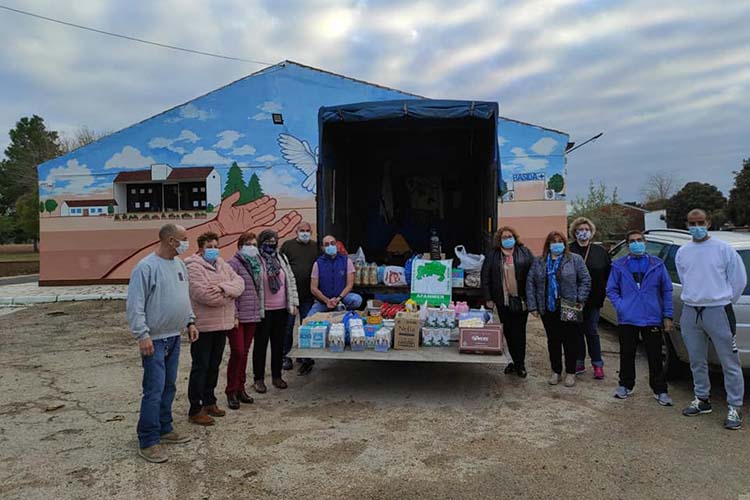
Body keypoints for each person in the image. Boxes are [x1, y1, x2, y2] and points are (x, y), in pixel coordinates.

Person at [127, 223, 199, 463]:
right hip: (154, 340)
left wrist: (190, 321)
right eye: (184, 238)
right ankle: (148, 439)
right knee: (154, 389)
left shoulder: (178, 264)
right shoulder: (146, 267)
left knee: (169, 386)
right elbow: (135, 304)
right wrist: (142, 334)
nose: (187, 242)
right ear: (171, 240)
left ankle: (165, 428)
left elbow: (183, 296)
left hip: (173, 336)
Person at [676, 209, 747, 430]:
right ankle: (702, 399)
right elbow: (684, 278)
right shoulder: (683, 251)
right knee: (696, 360)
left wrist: (723, 301)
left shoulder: (723, 249)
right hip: (691, 311)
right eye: (692, 223)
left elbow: (739, 280)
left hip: (718, 311)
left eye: (700, 222)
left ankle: (734, 406)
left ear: (708, 222)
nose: (696, 226)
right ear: (686, 224)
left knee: (729, 362)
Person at [606, 230, 674, 405]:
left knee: (655, 355)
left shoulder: (657, 264)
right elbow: (611, 289)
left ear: (645, 242)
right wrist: (621, 306)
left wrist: (667, 315)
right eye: (632, 241)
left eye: (639, 240)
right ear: (627, 245)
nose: (636, 243)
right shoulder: (619, 265)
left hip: (651, 316)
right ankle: (625, 385)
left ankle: (660, 390)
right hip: (627, 318)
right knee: (627, 353)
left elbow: (666, 290)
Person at [185, 232, 244, 426]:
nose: (213, 249)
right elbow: (204, 294)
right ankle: (195, 408)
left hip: (222, 324)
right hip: (203, 325)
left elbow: (240, 284)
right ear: (201, 248)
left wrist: (221, 288)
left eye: (215, 246)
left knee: (214, 364)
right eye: (209, 246)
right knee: (200, 366)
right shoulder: (193, 267)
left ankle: (210, 401)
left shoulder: (222, 264)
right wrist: (229, 292)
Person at [527, 231, 591, 387]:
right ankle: (556, 371)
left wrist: (580, 300)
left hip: (570, 306)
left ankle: (570, 372)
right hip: (548, 307)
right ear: (548, 244)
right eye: (553, 241)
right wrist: (533, 306)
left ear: (564, 243)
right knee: (553, 341)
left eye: (559, 241)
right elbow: (530, 283)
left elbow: (585, 280)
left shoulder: (575, 260)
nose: (557, 244)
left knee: (571, 340)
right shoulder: (539, 261)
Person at [481, 226, 535, 378]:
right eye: (504, 237)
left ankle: (520, 364)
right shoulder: (493, 255)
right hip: (502, 301)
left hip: (521, 300)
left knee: (520, 333)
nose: (507, 239)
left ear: (515, 237)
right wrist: (488, 298)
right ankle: (512, 361)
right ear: (499, 240)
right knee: (509, 333)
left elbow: (534, 273)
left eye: (510, 236)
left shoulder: (524, 252)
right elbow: (485, 277)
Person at [253, 229, 299, 393]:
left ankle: (277, 376)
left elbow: (290, 280)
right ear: (261, 242)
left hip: (282, 309)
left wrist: (293, 303)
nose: (272, 243)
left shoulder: (281, 258)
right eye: (268, 241)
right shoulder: (256, 260)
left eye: (275, 240)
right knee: (260, 345)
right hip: (263, 310)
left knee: (278, 344)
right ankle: (258, 379)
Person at [568, 217, 611, 379]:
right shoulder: (568, 250)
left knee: (591, 331)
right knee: (574, 332)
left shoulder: (600, 252)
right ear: (574, 232)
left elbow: (608, 273)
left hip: (593, 300)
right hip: (571, 300)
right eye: (580, 229)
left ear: (591, 232)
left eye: (586, 229)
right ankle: (578, 361)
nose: (583, 232)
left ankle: (597, 364)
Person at [225, 232, 262, 410]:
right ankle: (231, 390)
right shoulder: (232, 264)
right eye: (248, 244)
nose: (252, 247)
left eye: (254, 244)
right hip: (237, 317)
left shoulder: (256, 264)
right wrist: (234, 315)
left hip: (252, 314)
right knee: (237, 352)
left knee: (245, 352)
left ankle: (240, 388)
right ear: (240, 246)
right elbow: (231, 292)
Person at [281, 222, 319, 375]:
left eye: (307, 231)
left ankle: (305, 357)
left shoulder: (315, 247)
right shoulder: (287, 246)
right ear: (296, 231)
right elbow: (281, 267)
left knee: (306, 328)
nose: (305, 233)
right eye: (302, 230)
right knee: (288, 327)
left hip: (309, 295)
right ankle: (286, 356)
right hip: (290, 296)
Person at [309, 235, 363, 316]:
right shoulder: (318, 263)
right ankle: (335, 309)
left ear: (336, 245)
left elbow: (350, 284)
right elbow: (313, 288)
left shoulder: (346, 261)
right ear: (323, 248)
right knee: (308, 319)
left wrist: (338, 299)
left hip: (342, 299)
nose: (330, 246)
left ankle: (343, 310)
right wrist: (327, 301)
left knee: (356, 299)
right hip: (323, 301)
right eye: (327, 244)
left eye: (332, 243)